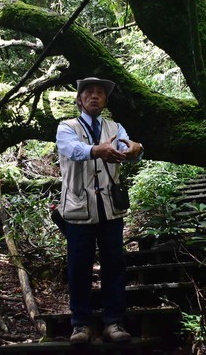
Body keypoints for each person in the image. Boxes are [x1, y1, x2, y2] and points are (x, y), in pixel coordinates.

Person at [55, 77, 144, 345]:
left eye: (100, 93)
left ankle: (113, 322)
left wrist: (137, 150)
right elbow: (72, 150)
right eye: (89, 93)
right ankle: (80, 324)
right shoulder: (66, 127)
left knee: (114, 265)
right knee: (79, 266)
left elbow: (128, 148)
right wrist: (96, 149)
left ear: (105, 101)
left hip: (110, 208)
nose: (94, 96)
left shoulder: (115, 127)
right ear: (80, 99)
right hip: (78, 209)